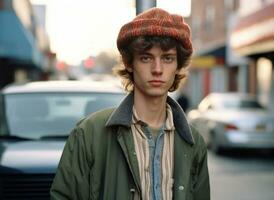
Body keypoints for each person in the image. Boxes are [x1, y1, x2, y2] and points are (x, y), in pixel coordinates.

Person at [50, 7, 210, 200]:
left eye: (167, 58)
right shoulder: (89, 134)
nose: (157, 69)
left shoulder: (194, 143)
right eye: (146, 58)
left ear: (178, 66)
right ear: (129, 63)